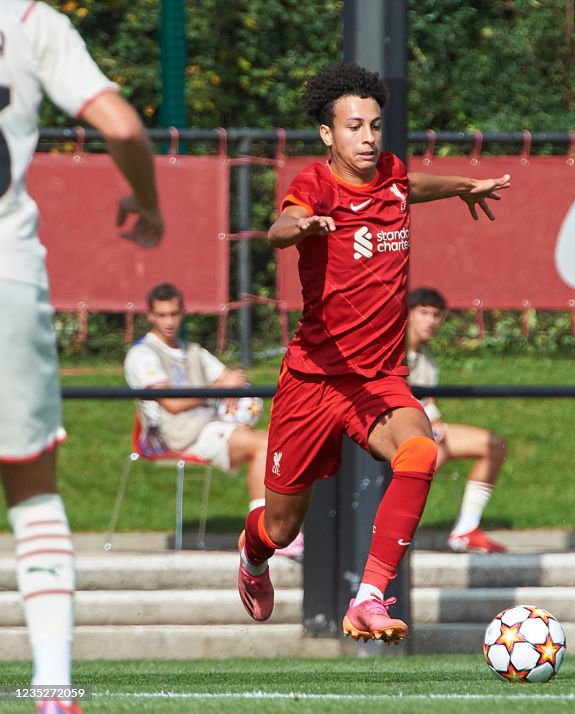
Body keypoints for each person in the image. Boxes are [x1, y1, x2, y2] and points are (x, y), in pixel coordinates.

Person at [236, 62, 510, 644]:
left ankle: (368, 595)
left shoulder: (391, 175)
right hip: (313, 380)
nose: (367, 137)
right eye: (354, 126)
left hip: (378, 379)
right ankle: (253, 554)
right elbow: (278, 229)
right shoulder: (314, 184)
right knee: (282, 527)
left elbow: (413, 187)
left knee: (420, 451)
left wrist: (464, 187)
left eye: (375, 126)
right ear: (327, 134)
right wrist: (301, 226)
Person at [0, 3, 163, 712]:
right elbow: (122, 125)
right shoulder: (30, 18)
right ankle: (53, 685)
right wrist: (148, 204)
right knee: (32, 490)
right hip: (6, 275)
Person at [123, 284, 303, 560]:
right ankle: (265, 534)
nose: (169, 322)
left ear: (183, 313)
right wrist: (215, 387)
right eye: (162, 315)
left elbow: (233, 378)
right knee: (264, 444)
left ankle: (271, 528)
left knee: (275, 441)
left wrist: (228, 390)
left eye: (174, 314)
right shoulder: (142, 354)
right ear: (150, 316)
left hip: (206, 425)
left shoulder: (192, 350)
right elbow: (171, 403)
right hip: (173, 435)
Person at [406, 287, 509, 554]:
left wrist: (434, 424)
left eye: (436, 315)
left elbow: (428, 403)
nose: (431, 320)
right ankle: (391, 534)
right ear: (406, 316)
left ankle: (466, 530)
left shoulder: (427, 360)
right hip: (398, 435)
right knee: (428, 458)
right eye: (424, 313)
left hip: (426, 431)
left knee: (493, 445)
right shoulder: (391, 352)